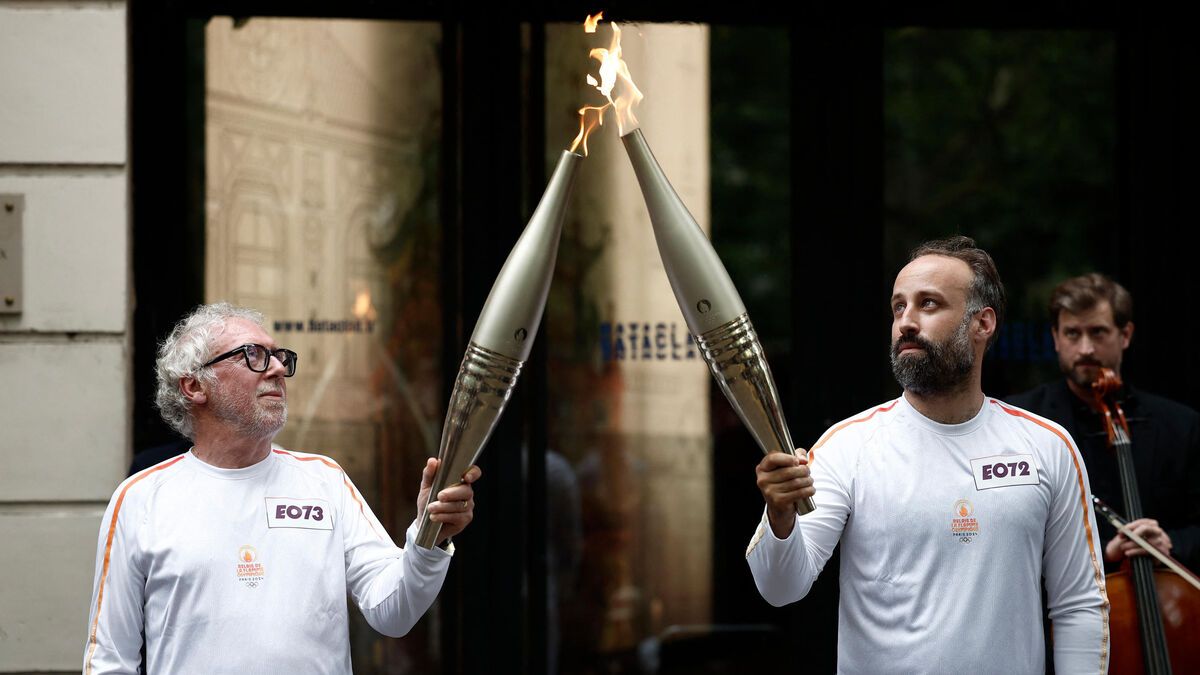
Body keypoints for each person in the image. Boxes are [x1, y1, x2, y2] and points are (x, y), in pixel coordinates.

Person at [748, 236, 1108, 673]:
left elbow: (1078, 606)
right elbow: (782, 587)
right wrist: (780, 517)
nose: (906, 323)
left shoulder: (1047, 446)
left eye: (929, 304)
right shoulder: (847, 446)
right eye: (899, 307)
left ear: (983, 323)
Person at [83, 303, 480, 674]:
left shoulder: (325, 480)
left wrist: (429, 537)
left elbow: (393, 613)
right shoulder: (140, 499)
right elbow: (109, 660)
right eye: (253, 355)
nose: (276, 369)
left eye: (279, 356)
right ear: (194, 386)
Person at [1007, 273, 1200, 571]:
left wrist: (1171, 543)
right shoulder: (1023, 422)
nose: (1085, 349)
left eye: (1098, 332)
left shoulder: (1180, 425)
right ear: (1056, 338)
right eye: (1072, 333)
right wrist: (1100, 553)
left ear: (1125, 335)